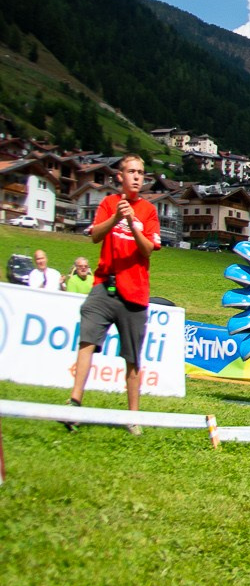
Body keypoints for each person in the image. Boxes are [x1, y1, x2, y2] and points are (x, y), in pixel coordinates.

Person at [65, 155, 159, 432]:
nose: (137, 177)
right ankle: (74, 404)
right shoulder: (108, 204)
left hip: (135, 292)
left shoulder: (149, 212)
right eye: (131, 171)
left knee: (132, 359)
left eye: (141, 172)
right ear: (120, 176)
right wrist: (117, 216)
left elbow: (147, 249)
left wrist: (131, 224)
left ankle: (133, 417)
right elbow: (95, 235)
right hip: (104, 286)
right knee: (87, 341)